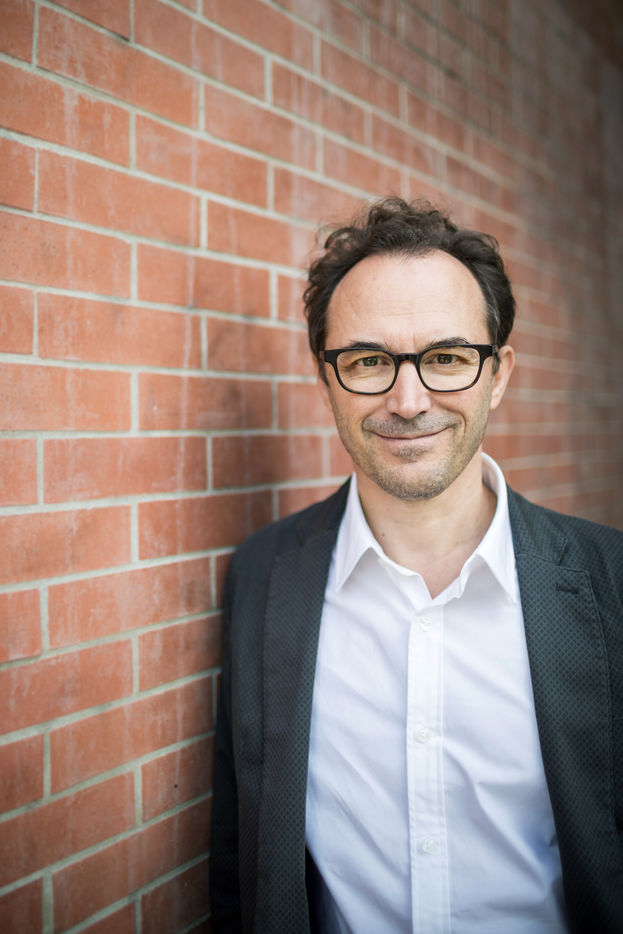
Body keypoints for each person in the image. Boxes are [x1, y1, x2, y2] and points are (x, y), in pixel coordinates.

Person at [209, 198, 623, 933]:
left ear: (497, 375)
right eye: (368, 361)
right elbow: (240, 859)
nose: (407, 400)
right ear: (326, 380)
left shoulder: (609, 581)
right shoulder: (263, 578)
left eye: (447, 358)